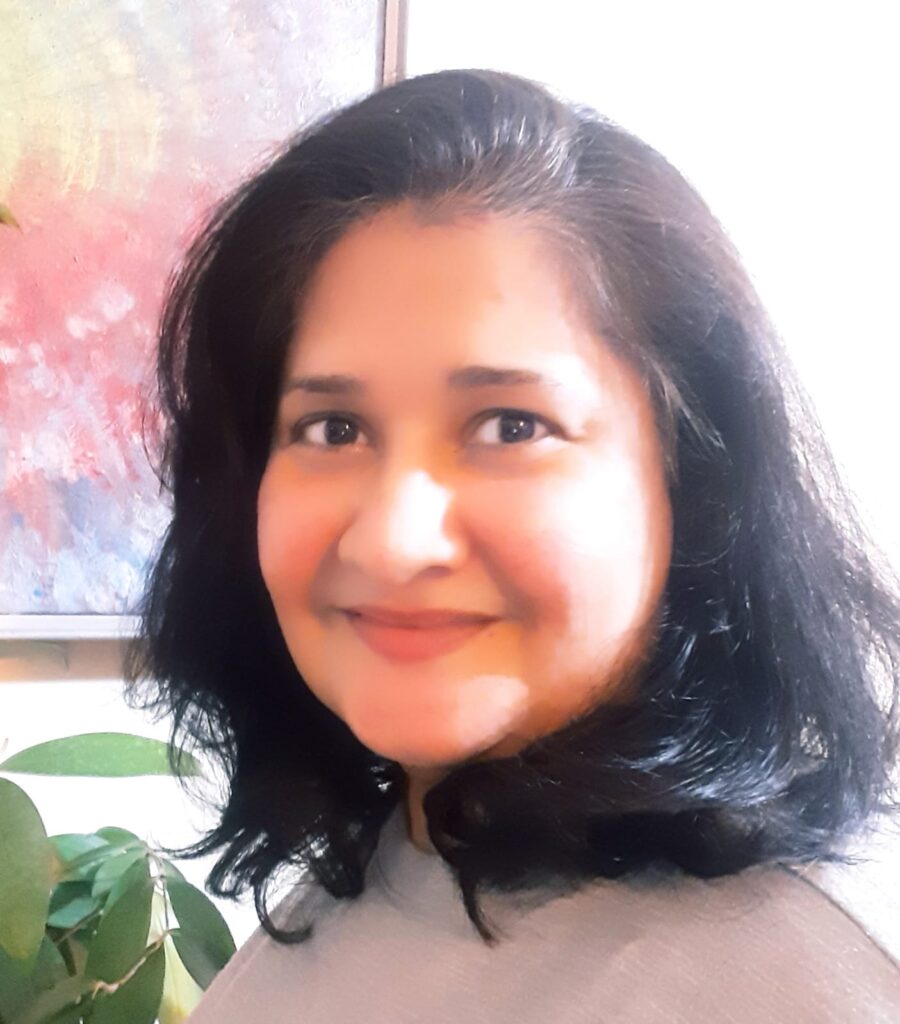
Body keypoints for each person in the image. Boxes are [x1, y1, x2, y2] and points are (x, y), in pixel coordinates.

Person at [125, 69, 900, 1021]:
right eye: (333, 429)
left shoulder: (807, 982)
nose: (395, 542)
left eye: (510, 426)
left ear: (692, 480)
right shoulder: (394, 864)